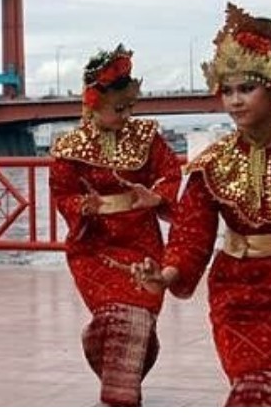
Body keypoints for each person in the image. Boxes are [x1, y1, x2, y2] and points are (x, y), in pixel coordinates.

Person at [135, 4, 271, 407]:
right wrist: (165, 274)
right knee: (251, 391)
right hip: (236, 298)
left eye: (246, 89)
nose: (235, 101)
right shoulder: (212, 163)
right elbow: (191, 234)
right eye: (227, 91)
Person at [49, 45, 182, 407]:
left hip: (141, 241)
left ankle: (118, 387)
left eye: (129, 108)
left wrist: (156, 197)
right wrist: (83, 206)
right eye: (118, 109)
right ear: (93, 105)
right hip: (95, 247)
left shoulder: (147, 138)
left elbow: (171, 173)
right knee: (117, 318)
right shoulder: (70, 147)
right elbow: (62, 193)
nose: (126, 116)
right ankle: (121, 395)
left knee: (135, 319)